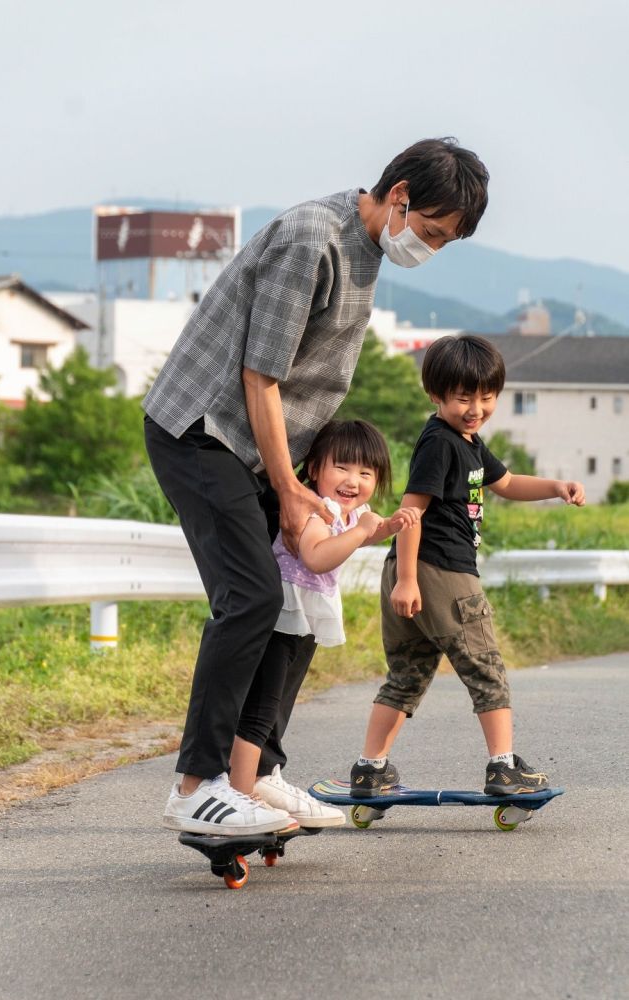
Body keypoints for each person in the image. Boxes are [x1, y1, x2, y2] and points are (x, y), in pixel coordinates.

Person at [144, 138, 490, 837]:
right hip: (203, 432)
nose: (428, 248)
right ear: (397, 195)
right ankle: (195, 784)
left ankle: (255, 774)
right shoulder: (314, 239)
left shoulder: (364, 251)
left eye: (444, 243)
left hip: (263, 446)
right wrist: (287, 485)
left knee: (299, 603)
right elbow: (260, 375)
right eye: (428, 232)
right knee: (252, 597)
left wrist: (311, 478)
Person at [349, 334, 586, 798]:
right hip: (441, 572)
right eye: (463, 398)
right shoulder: (440, 443)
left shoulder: (468, 441)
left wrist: (556, 485)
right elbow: (411, 510)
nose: (476, 407)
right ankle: (503, 767)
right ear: (435, 395)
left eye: (487, 397)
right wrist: (409, 578)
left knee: (407, 675)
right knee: (486, 668)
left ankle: (370, 769)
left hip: (415, 571)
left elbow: (508, 482)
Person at [219, 419, 422, 829]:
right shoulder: (314, 509)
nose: (353, 480)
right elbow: (316, 557)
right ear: (314, 468)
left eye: (366, 473)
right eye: (342, 468)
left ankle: (258, 784)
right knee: (261, 708)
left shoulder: (346, 513)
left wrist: (384, 528)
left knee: (278, 704)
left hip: (305, 613)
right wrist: (364, 530)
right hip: (284, 610)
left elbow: (358, 535)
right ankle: (239, 796)